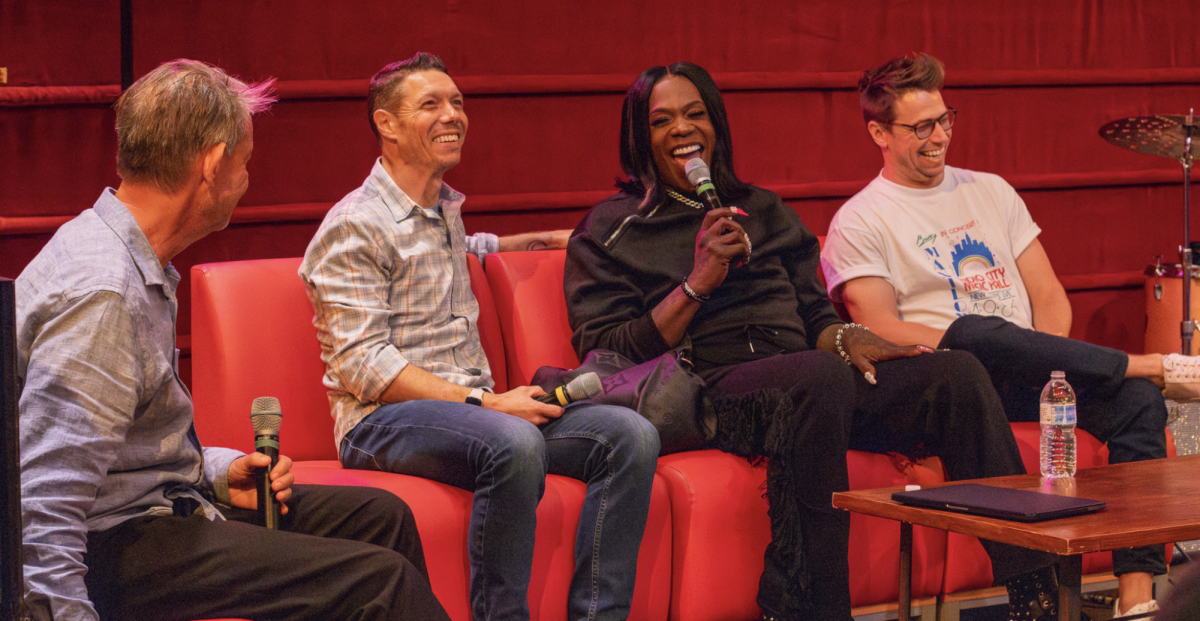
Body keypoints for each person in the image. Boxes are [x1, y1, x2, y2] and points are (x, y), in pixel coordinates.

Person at [564, 61, 1061, 621]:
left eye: (695, 113)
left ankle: (1036, 598)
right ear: (639, 137)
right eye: (662, 120)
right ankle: (810, 605)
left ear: (716, 126)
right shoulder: (610, 231)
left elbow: (813, 309)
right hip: (707, 388)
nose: (682, 128)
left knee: (956, 373)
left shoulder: (764, 209)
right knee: (815, 378)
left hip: (808, 381)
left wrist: (847, 336)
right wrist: (696, 284)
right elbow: (608, 352)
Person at [16, 60, 448, 621]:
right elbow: (41, 508)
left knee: (379, 515)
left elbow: (123, 445)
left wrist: (217, 470)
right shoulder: (104, 293)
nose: (246, 179)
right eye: (244, 163)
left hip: (146, 507)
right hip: (112, 541)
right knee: (378, 583)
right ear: (214, 164)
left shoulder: (131, 257)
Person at [299, 52, 660, 621]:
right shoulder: (354, 225)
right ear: (386, 124)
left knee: (630, 436)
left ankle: (599, 615)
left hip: (473, 409)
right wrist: (488, 403)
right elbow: (363, 365)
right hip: (379, 421)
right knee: (512, 443)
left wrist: (533, 242)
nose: (453, 115)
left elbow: (444, 256)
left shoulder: (440, 208)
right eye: (431, 104)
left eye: (458, 102)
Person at [821, 52, 1184, 618]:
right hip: (956, 382)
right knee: (977, 332)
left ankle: (1136, 600)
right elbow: (879, 326)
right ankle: (1157, 364)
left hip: (1029, 370)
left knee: (1136, 402)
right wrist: (988, 341)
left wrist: (1046, 357)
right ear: (879, 133)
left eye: (945, 119)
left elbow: (1050, 298)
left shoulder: (990, 189)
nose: (939, 136)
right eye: (921, 127)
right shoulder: (861, 219)